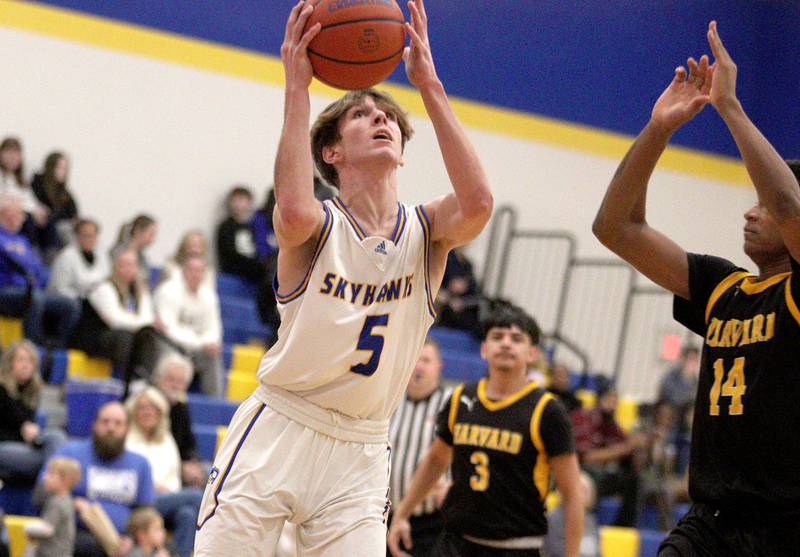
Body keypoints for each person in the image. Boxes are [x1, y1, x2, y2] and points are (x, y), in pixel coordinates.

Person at [193, 1, 493, 555]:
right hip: (281, 424)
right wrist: (296, 88)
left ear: (402, 149)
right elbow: (291, 210)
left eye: (388, 118)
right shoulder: (317, 223)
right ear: (331, 151)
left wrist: (429, 85)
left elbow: (478, 201)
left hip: (360, 448)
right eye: (362, 115)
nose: (380, 119)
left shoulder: (427, 232)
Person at [593, 21, 800, 555]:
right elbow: (616, 228)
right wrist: (658, 129)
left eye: (761, 203)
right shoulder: (722, 287)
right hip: (708, 520)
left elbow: (788, 205)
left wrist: (730, 108)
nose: (751, 212)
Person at [388, 305, 582, 557]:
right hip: (456, 542)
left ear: (532, 353)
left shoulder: (548, 411)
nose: (505, 344)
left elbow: (572, 493)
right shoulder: (462, 398)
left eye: (516, 339)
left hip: (515, 547)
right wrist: (403, 513)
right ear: (484, 349)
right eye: (497, 337)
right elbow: (436, 460)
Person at [40, 401, 155, 557]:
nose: (111, 428)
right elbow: (41, 491)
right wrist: (70, 501)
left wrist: (132, 539)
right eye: (105, 422)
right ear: (94, 425)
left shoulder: (140, 464)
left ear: (127, 429)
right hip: (76, 534)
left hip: (123, 540)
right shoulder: (70, 453)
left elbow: (144, 511)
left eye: (118, 423)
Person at [387, 338, 451, 556]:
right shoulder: (389, 401)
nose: (419, 366)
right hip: (382, 516)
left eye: (426, 360)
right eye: (415, 359)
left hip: (428, 523)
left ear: (439, 367)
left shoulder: (450, 404)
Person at [70, 248, 162, 391]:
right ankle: (123, 380)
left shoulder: (140, 291)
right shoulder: (103, 288)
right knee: (124, 336)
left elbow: (147, 318)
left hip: (126, 337)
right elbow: (115, 320)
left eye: (131, 265)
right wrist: (144, 322)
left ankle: (142, 380)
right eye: (123, 264)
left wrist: (146, 323)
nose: (127, 269)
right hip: (95, 338)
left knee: (149, 334)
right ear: (114, 266)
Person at [124, 387, 202, 557]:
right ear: (133, 412)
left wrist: (171, 490)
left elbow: (173, 474)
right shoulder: (127, 438)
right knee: (197, 497)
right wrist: (155, 487)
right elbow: (127, 475)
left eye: (152, 408)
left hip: (169, 499)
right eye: (142, 408)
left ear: (160, 412)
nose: (147, 412)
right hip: (143, 500)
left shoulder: (166, 439)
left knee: (187, 514)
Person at [0, 192, 81, 347]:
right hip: (6, 291)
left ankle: (56, 347)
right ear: (5, 213)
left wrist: (48, 282)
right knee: (34, 299)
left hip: (32, 290)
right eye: (19, 213)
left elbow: (38, 268)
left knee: (70, 304)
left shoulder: (22, 240)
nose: (23, 218)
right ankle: (32, 348)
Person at [571, 383, 642, 527]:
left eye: (615, 401)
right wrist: (623, 448)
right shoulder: (582, 417)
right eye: (609, 399)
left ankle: (623, 527)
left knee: (634, 479)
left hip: (601, 474)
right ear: (599, 399)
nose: (613, 405)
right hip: (578, 471)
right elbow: (586, 457)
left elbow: (628, 451)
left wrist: (639, 447)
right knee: (594, 474)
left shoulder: (612, 424)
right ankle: (586, 525)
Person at [153, 255, 223, 396]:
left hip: (195, 349)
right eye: (192, 270)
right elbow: (168, 329)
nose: (195, 274)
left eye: (200, 271)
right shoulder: (167, 291)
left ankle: (216, 403)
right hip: (169, 344)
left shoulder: (209, 296)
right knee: (167, 351)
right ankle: (165, 398)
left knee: (213, 354)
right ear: (183, 271)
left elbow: (213, 329)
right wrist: (200, 343)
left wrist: (209, 344)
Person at [0, 340, 66, 483]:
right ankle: (50, 487)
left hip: (23, 447)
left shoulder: (32, 392)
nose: (26, 365)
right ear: (9, 363)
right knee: (50, 452)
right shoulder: (1, 389)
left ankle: (49, 485)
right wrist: (24, 426)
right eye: (21, 360)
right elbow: (17, 419)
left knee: (55, 436)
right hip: (3, 447)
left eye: (30, 361)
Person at [151, 353, 205, 489]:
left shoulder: (180, 406)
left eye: (180, 382)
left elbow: (189, 444)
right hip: (158, 472)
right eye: (171, 379)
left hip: (178, 468)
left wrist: (192, 463)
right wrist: (181, 466)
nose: (175, 385)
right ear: (158, 379)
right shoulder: (147, 405)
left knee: (210, 473)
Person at [23, 456, 81, 557]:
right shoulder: (67, 500)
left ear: (66, 480)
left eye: (51, 474)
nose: (45, 478)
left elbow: (47, 530)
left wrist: (28, 528)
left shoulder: (58, 503)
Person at [0, 137, 49, 249]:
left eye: (16, 154)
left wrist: (39, 210)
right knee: (29, 220)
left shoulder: (21, 180)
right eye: (9, 153)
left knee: (48, 222)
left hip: (22, 212)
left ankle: (46, 254)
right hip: (7, 213)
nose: (13, 158)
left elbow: (31, 200)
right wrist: (30, 210)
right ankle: (28, 252)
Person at [30, 151, 79, 255]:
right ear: (50, 167)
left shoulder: (65, 192)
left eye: (65, 168)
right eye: (59, 167)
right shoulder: (38, 183)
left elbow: (74, 214)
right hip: (46, 227)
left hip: (63, 227)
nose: (63, 172)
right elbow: (42, 210)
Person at [48, 218, 108, 300]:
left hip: (97, 299)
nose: (89, 239)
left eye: (93, 235)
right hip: (71, 301)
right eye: (85, 235)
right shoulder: (66, 257)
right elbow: (60, 289)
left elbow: (106, 279)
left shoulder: (102, 254)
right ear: (76, 236)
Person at [215, 185, 265, 284]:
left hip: (254, 267)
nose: (238, 204)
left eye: (242, 200)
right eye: (235, 200)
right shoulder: (226, 226)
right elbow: (229, 254)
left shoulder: (253, 225)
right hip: (235, 268)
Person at [656, 345, 699, 427]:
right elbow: (669, 396)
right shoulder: (670, 377)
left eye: (695, 360)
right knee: (666, 410)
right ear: (683, 359)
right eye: (690, 359)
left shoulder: (695, 382)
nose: (692, 363)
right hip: (672, 412)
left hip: (686, 417)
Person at [111, 215, 158, 286]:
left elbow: (146, 279)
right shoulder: (119, 252)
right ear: (138, 231)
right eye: (151, 234)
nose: (153, 239)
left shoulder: (142, 257)